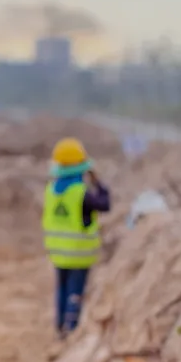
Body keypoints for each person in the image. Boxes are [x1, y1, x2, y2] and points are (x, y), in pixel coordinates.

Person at [43, 137, 110, 336]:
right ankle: (70, 329)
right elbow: (105, 204)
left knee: (62, 288)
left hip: (58, 252)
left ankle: (59, 323)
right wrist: (98, 183)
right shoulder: (81, 193)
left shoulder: (51, 191)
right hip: (79, 254)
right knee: (75, 292)